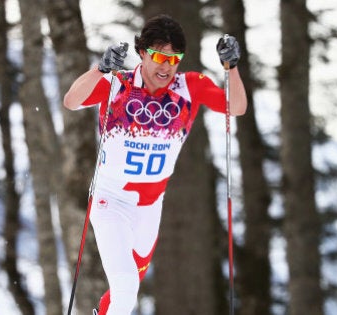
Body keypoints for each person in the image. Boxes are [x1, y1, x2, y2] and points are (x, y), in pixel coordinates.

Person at [63, 14, 247, 315]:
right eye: (160, 56)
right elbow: (72, 101)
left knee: (127, 288)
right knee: (125, 288)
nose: (167, 66)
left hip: (149, 208)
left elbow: (236, 107)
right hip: (112, 200)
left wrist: (232, 68)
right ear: (143, 52)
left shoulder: (191, 86)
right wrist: (101, 69)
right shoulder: (118, 84)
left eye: (176, 59)